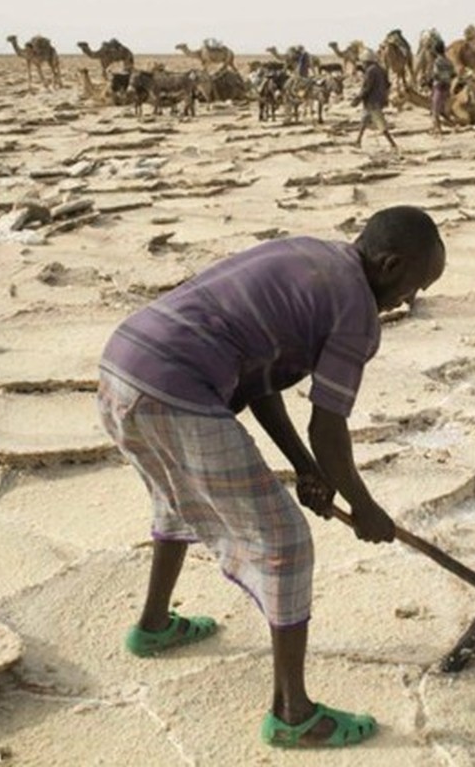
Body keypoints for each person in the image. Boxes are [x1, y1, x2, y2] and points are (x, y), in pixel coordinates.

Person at [97, 206, 446, 748]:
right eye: (413, 287)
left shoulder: (312, 255)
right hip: (176, 387)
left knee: (174, 497)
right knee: (285, 544)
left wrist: (307, 469)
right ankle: (293, 714)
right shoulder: (357, 310)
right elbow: (328, 426)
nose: (409, 301)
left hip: (123, 365)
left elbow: (261, 379)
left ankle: (155, 626)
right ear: (390, 263)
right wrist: (366, 507)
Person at [351, 51, 398, 151]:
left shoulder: (370, 71)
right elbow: (388, 85)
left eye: (363, 62)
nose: (362, 64)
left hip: (372, 101)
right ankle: (357, 141)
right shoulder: (381, 69)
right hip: (378, 100)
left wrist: (357, 99)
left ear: (366, 61)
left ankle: (393, 144)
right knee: (364, 120)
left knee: (380, 123)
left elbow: (366, 88)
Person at [428, 40, 456, 134]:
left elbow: (436, 75)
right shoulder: (449, 61)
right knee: (443, 109)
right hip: (447, 87)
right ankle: (450, 126)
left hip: (439, 86)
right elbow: (453, 74)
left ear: (435, 50)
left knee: (435, 109)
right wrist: (447, 77)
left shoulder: (437, 62)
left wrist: (429, 80)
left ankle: (438, 129)